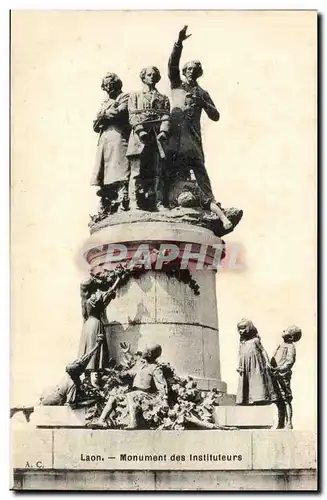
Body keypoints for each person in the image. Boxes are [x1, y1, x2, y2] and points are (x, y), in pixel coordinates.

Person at [167, 26, 220, 209]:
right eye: (188, 69)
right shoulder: (177, 85)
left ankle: (211, 201)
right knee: (171, 168)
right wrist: (179, 43)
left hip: (193, 137)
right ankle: (169, 201)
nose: (191, 72)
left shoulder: (202, 92)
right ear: (184, 72)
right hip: (175, 135)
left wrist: (204, 104)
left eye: (194, 70)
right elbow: (172, 65)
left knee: (199, 169)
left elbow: (216, 116)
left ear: (199, 73)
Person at [93, 343, 168, 429]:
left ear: (149, 354)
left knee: (130, 395)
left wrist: (165, 400)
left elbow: (162, 385)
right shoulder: (140, 365)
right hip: (135, 394)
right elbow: (132, 364)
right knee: (113, 397)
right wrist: (126, 353)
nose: (142, 351)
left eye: (145, 350)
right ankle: (102, 421)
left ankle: (134, 422)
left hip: (146, 396)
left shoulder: (155, 368)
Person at [126, 66, 170, 211]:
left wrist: (163, 131)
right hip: (140, 137)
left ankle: (158, 202)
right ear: (143, 77)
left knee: (157, 171)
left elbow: (166, 116)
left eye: (154, 75)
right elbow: (132, 115)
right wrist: (140, 130)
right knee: (136, 171)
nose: (152, 77)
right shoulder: (135, 96)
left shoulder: (163, 98)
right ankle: (134, 203)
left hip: (156, 137)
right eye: (149, 75)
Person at [91, 73, 131, 214]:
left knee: (119, 168)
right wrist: (104, 115)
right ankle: (106, 201)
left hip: (118, 137)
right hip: (104, 140)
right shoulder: (105, 102)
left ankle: (123, 197)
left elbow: (119, 113)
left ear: (117, 84)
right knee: (104, 172)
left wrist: (104, 115)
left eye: (110, 84)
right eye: (106, 85)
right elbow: (95, 125)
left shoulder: (125, 97)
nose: (108, 87)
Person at [78, 273, 122, 386]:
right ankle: (96, 383)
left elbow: (85, 315)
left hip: (87, 326)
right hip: (96, 325)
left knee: (89, 350)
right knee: (97, 353)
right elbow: (109, 293)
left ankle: (89, 381)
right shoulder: (95, 298)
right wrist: (118, 279)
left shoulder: (85, 300)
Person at [236, 318, 277, 405]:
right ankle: (245, 399)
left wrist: (267, 361)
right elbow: (240, 354)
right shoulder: (242, 342)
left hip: (255, 365)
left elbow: (262, 350)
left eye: (243, 328)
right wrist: (239, 365)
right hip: (244, 366)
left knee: (256, 380)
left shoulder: (255, 340)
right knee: (245, 381)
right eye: (239, 329)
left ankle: (258, 398)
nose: (240, 331)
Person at [270, 325, 302, 429]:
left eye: (287, 331)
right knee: (278, 400)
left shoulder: (290, 346)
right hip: (275, 374)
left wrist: (280, 368)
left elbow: (290, 361)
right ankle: (280, 422)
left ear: (291, 337)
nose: (283, 330)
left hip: (283, 375)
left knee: (286, 399)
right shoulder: (280, 345)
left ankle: (289, 422)